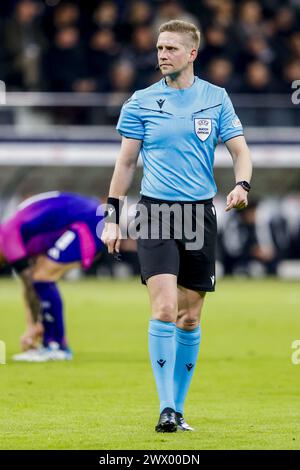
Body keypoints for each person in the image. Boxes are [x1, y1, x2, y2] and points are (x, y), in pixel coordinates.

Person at [101, 20, 252, 432]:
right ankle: (165, 408)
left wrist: (242, 184)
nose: (162, 54)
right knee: (165, 308)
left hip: (199, 214)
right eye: (159, 48)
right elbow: (126, 164)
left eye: (170, 48)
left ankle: (179, 410)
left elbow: (241, 152)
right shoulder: (141, 101)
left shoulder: (216, 99)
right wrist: (112, 218)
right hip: (155, 212)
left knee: (189, 319)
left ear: (192, 54)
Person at [0, 191, 104, 362]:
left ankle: (56, 346)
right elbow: (30, 287)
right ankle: (53, 343)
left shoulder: (7, 237)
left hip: (89, 221)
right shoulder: (18, 232)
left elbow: (30, 284)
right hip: (87, 217)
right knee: (39, 277)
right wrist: (32, 325)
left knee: (42, 276)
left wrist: (32, 326)